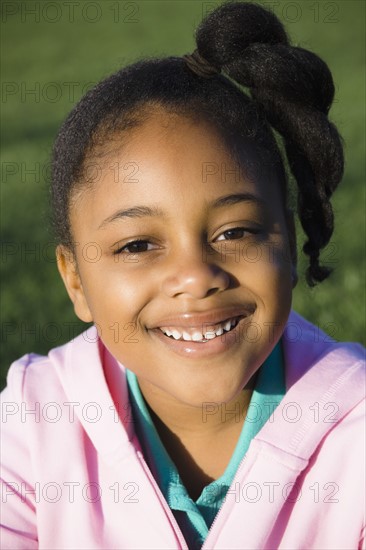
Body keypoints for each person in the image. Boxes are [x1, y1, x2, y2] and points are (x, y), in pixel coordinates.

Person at [1, 2, 365, 549]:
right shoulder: (33, 426)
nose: (196, 277)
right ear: (75, 281)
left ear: (287, 242)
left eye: (234, 232)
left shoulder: (355, 436)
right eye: (138, 244)